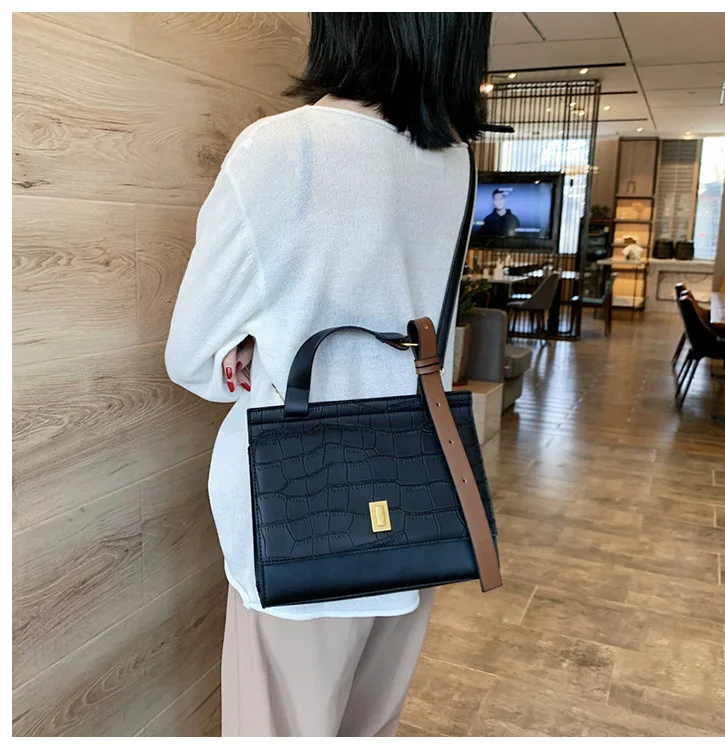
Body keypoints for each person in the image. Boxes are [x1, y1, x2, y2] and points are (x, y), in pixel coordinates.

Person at [164, 12, 492, 737]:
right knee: (367, 726)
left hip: (298, 511)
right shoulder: (454, 161)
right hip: (416, 500)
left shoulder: (279, 147)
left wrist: (247, 352)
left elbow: (191, 357)